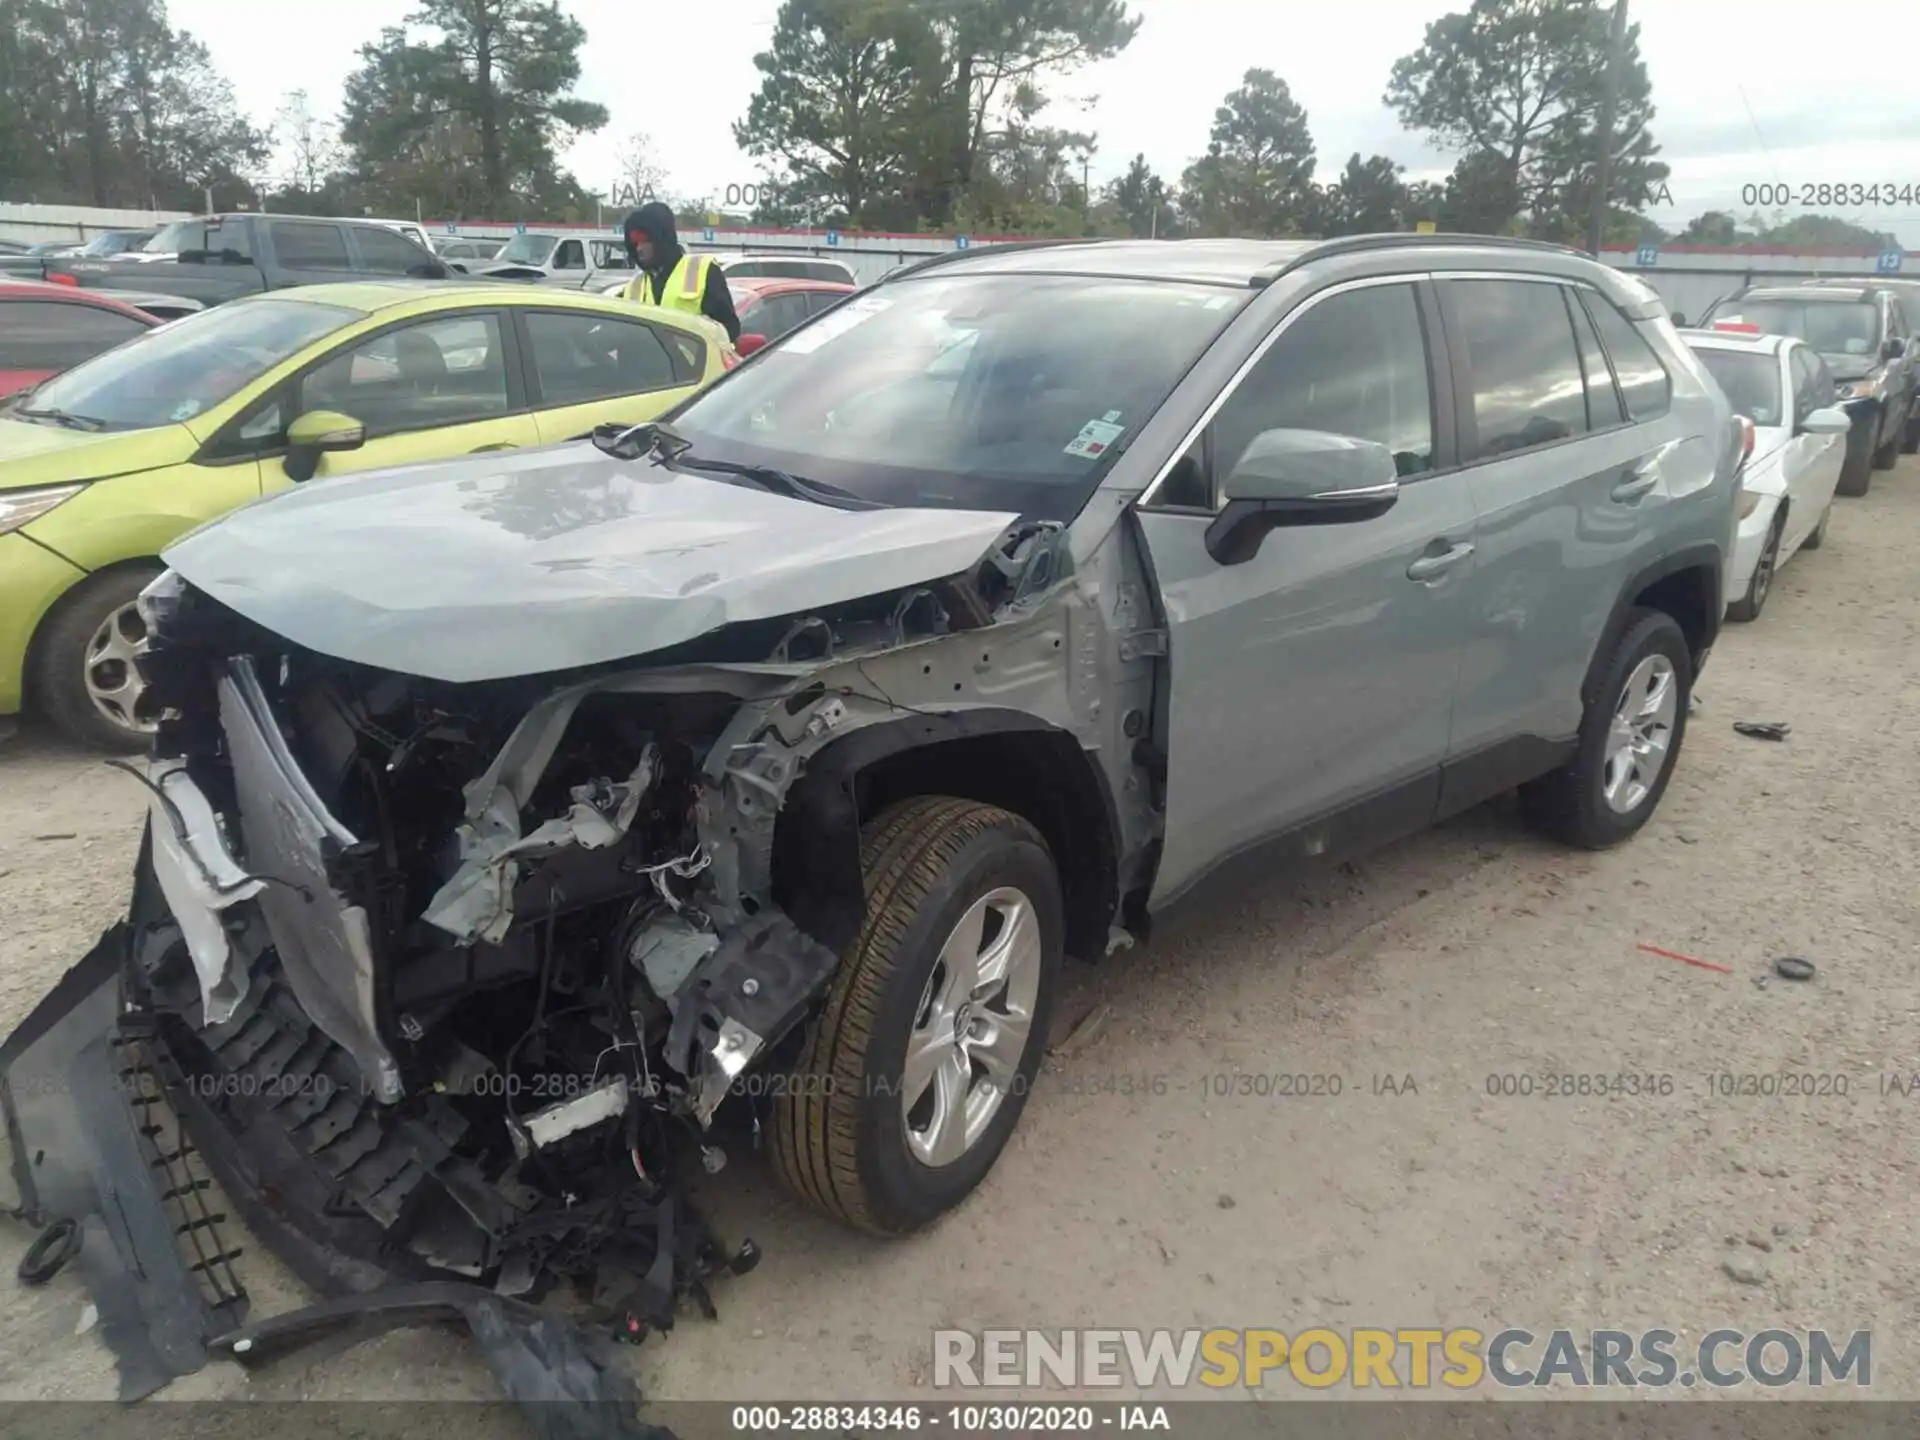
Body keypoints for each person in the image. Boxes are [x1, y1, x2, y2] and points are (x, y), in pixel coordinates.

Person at [619, 202, 741, 342]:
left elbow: (729, 330)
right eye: (635, 243)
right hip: (644, 363)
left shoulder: (702, 270)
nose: (639, 248)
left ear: (663, 238)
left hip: (695, 363)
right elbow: (618, 335)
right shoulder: (634, 286)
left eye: (644, 240)